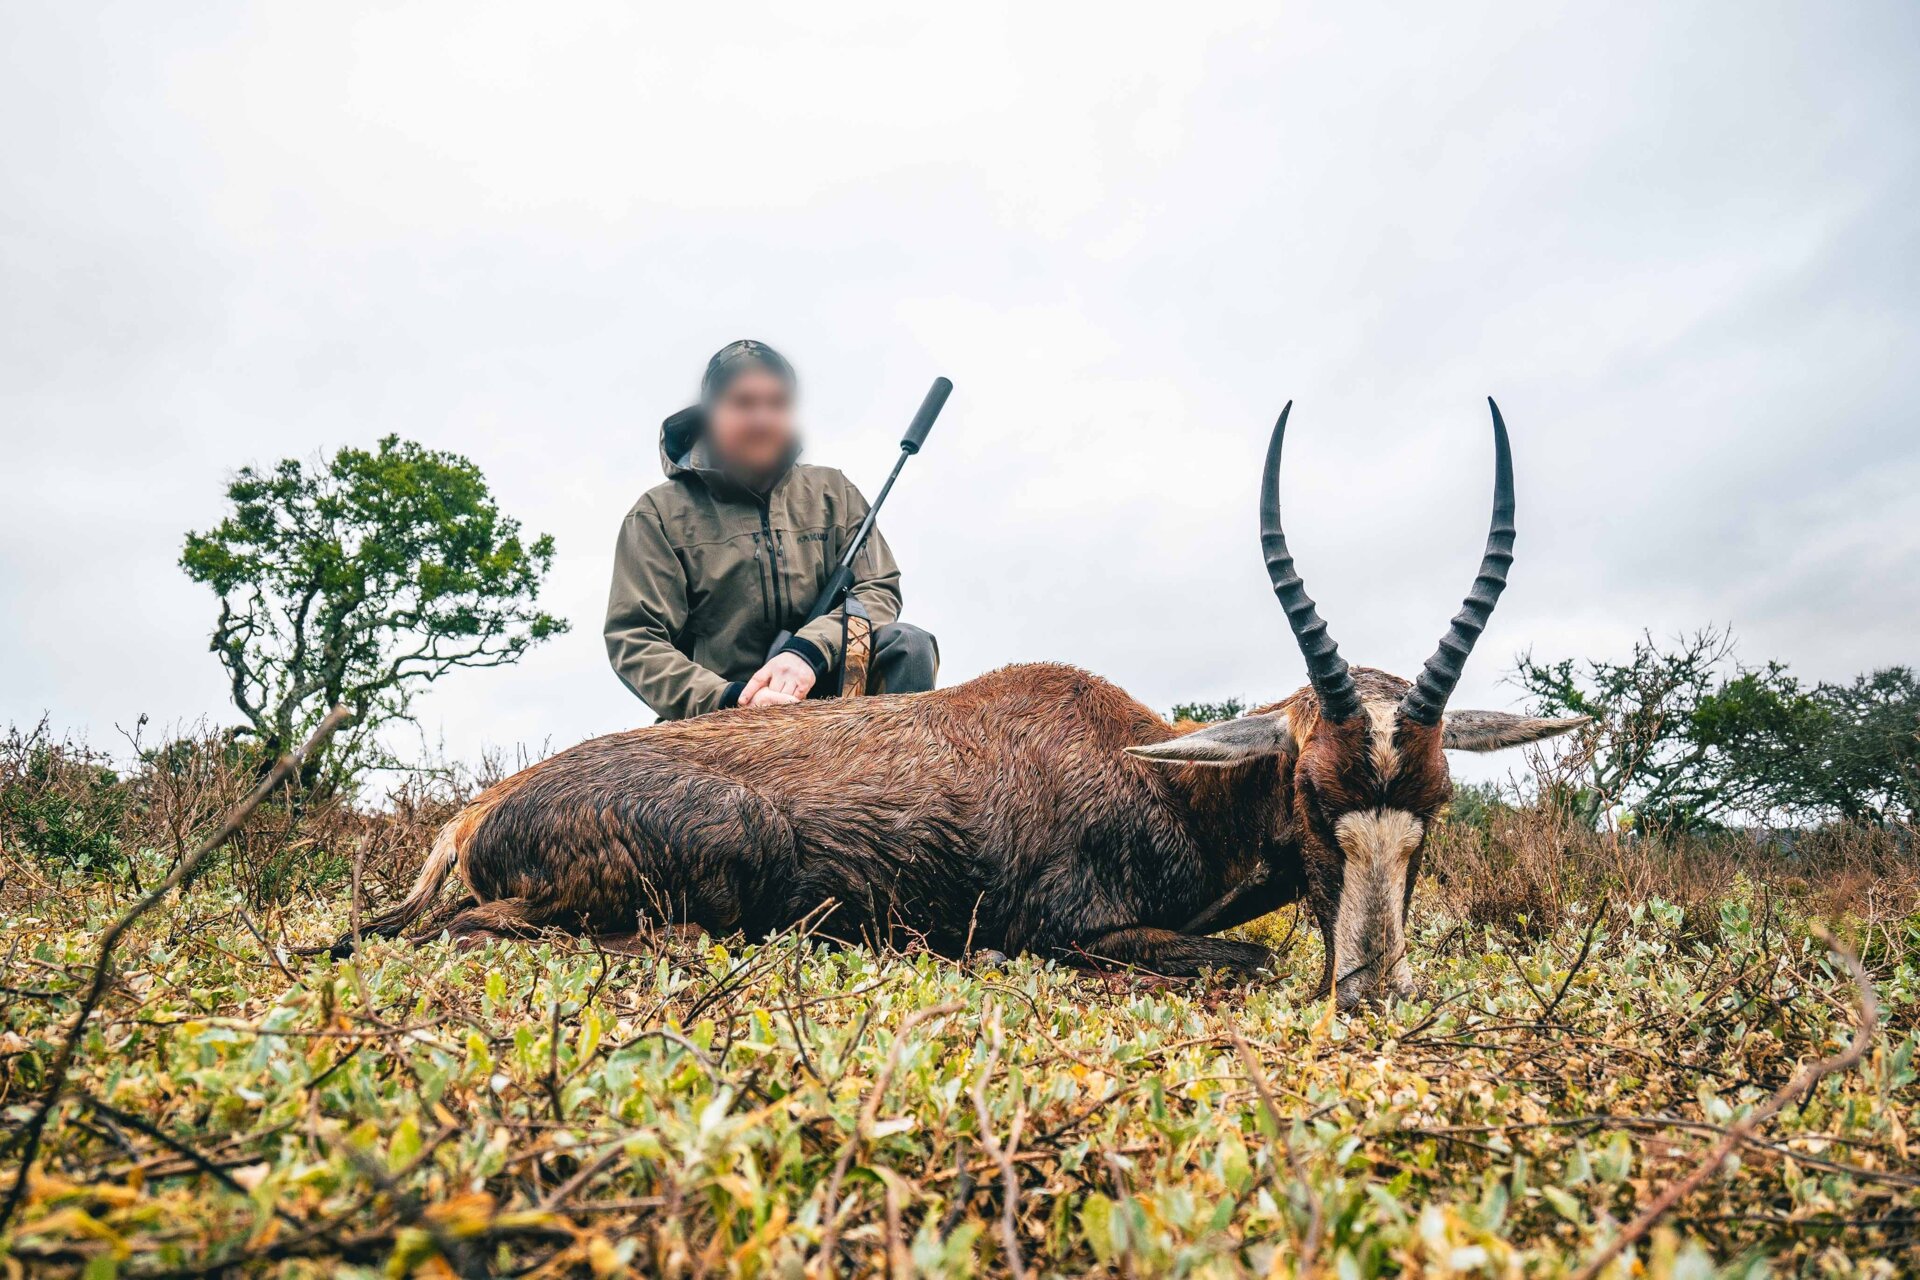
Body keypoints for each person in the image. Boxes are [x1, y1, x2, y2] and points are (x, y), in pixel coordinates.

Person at [605, 340, 939, 720]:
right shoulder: (657, 515)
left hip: (828, 684)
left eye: (778, 404)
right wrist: (729, 698)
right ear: (710, 414)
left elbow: (877, 589)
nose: (763, 419)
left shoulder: (835, 492)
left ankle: (898, 775)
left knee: (908, 644)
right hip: (719, 712)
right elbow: (635, 639)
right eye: (744, 403)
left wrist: (807, 653)